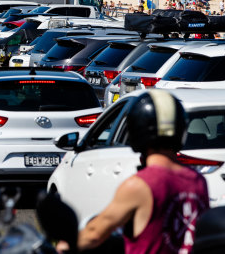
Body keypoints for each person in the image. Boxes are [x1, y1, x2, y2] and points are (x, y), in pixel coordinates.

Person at [70, 90, 209, 254]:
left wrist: (65, 246)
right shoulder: (198, 181)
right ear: (181, 130)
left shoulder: (139, 185)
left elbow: (94, 233)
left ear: (137, 130)